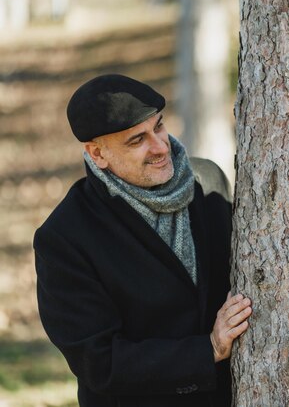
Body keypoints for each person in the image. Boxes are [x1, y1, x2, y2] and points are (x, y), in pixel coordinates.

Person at [33, 74, 252, 407]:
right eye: (137, 141)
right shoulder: (63, 238)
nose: (161, 146)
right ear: (97, 154)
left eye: (159, 127)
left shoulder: (209, 181)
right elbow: (100, 362)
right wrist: (206, 350)